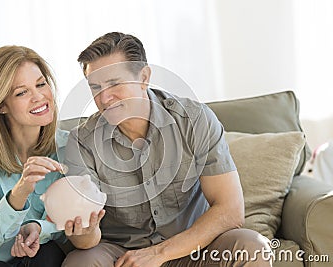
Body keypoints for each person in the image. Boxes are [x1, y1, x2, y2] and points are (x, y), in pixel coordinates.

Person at [61, 32, 272, 266]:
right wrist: (84, 230)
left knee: (251, 246)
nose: (105, 97)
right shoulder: (82, 142)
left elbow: (230, 210)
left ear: (144, 77)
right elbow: (85, 241)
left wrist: (159, 254)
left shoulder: (193, 120)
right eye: (95, 87)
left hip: (193, 247)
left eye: (114, 84)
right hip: (122, 255)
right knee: (80, 261)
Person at [0, 45, 102, 267]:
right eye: (22, 92)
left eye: (41, 84)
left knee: (49, 254)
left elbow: (66, 225)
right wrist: (22, 189)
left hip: (27, 260)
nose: (39, 96)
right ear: (2, 105)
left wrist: (39, 228)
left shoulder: (69, 147)